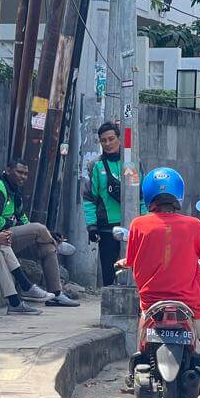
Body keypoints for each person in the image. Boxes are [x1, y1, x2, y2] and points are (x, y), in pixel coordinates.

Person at [118, 167, 200, 398]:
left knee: (140, 337)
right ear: (178, 196)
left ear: (149, 196)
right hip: (189, 306)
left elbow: (132, 259)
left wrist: (124, 263)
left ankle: (132, 375)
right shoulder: (194, 225)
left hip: (152, 305)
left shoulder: (138, 224)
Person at [0, 160, 79, 307]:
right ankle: (56, 243)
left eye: (25, 174)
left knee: (47, 248)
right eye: (19, 172)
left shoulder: (15, 192)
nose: (23, 176)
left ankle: (56, 295)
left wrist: (39, 231)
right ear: (8, 170)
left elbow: (23, 219)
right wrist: (16, 224)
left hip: (10, 238)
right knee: (38, 228)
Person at [84, 122, 144, 286]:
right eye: (103, 140)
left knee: (136, 269)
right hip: (106, 228)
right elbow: (89, 198)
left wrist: (146, 221)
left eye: (111, 139)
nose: (108, 143)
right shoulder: (95, 166)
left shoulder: (130, 163)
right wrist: (91, 225)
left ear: (119, 139)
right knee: (109, 273)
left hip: (132, 226)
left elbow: (140, 196)